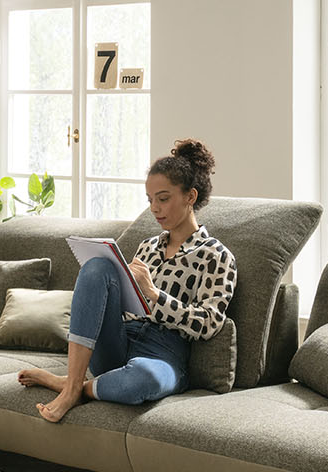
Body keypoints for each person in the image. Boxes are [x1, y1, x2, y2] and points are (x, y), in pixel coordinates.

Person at [17, 139, 238, 423]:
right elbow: (116, 306)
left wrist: (154, 294)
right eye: (150, 200)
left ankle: (72, 385)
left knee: (142, 381)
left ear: (190, 196)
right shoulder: (147, 246)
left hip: (164, 353)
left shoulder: (216, 256)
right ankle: (74, 385)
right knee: (97, 265)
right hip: (119, 338)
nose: (154, 209)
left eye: (163, 198)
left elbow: (209, 323)